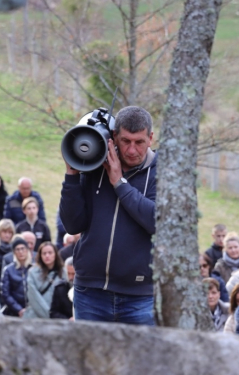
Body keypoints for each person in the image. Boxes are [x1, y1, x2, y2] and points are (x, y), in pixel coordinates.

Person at [60, 106, 157, 325]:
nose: (132, 150)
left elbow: (156, 221)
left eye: (139, 142)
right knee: (90, 360)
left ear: (150, 138)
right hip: (89, 292)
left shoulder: (160, 172)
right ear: (114, 136)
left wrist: (119, 184)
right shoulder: (95, 165)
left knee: (139, 360)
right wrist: (72, 176)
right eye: (125, 141)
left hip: (140, 297)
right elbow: (72, 225)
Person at [24, 242, 66, 319]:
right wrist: (49, 315)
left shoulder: (64, 272)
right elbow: (33, 297)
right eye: (44, 253)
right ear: (40, 255)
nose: (47, 256)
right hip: (35, 317)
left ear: (55, 254)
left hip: (58, 317)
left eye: (50, 253)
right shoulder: (32, 272)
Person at [1, 237, 32, 317]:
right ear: (14, 252)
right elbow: (5, 293)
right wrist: (18, 309)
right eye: (17, 249)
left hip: (32, 311)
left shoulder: (34, 269)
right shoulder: (8, 270)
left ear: (27, 250)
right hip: (13, 312)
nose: (20, 252)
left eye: (23, 249)